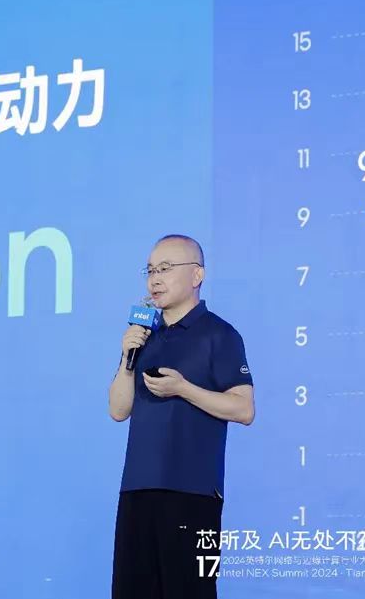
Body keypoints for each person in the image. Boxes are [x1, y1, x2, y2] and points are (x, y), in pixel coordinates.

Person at [108, 234, 255, 599]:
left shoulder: (219, 334)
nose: (155, 279)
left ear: (197, 275)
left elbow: (244, 409)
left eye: (166, 269)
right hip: (137, 490)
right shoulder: (144, 336)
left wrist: (184, 388)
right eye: (150, 270)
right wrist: (127, 358)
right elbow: (118, 410)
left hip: (193, 493)